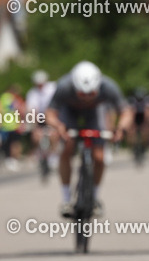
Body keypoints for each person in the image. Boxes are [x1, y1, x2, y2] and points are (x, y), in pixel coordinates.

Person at [45, 61, 132, 218]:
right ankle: (66, 199)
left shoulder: (108, 86)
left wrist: (121, 129)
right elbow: (50, 113)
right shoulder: (64, 86)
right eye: (82, 94)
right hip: (69, 112)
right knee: (67, 147)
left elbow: (125, 111)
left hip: (94, 113)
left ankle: (95, 197)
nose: (86, 98)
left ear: (97, 88)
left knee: (99, 156)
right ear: (74, 88)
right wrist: (58, 126)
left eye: (91, 94)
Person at [26, 70, 59, 172]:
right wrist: (33, 126)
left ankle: (53, 155)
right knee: (35, 136)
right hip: (40, 117)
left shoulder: (53, 88)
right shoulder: (32, 93)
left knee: (53, 134)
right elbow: (32, 110)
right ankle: (38, 153)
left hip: (52, 114)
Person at [127, 87, 149, 156]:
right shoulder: (132, 100)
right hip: (135, 117)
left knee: (146, 131)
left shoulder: (148, 100)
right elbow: (130, 112)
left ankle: (146, 145)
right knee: (131, 131)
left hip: (144, 117)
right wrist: (131, 124)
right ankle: (132, 147)